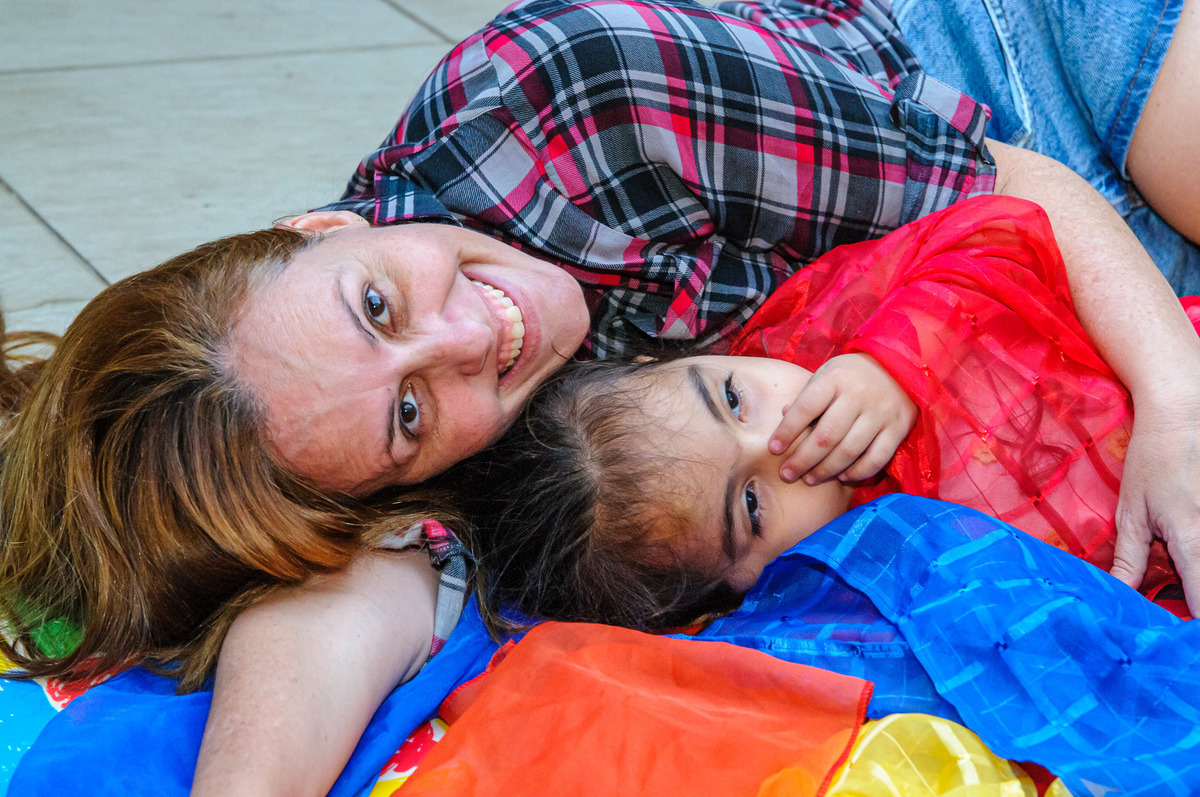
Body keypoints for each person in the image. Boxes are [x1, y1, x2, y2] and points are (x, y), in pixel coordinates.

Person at [0, 0, 1198, 793]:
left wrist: (1177, 399)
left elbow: (1018, 191)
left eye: (377, 299)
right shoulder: (469, 473)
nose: (471, 330)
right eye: (410, 413)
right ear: (404, 478)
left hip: (1026, 89)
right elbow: (335, 612)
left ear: (318, 225)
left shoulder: (581, 95)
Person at [443, 194, 1199, 630]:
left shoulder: (817, 326)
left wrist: (891, 358)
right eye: (750, 501)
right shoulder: (853, 592)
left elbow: (997, 228)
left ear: (682, 357)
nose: (783, 438)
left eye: (733, 397)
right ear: (740, 587)